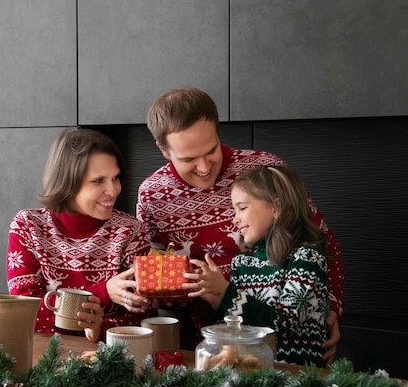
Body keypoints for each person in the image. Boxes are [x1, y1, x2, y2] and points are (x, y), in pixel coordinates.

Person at [136, 86, 343, 364]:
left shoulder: (266, 169)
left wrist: (327, 312)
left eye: (210, 151)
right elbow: (156, 269)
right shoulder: (152, 195)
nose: (203, 167)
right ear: (164, 150)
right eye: (188, 159)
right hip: (211, 337)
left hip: (285, 336)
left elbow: (323, 242)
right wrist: (162, 293)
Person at [6, 128, 153, 343]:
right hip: (42, 356)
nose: (113, 190)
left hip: (108, 357)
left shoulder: (130, 231)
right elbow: (25, 311)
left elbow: (143, 318)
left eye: (115, 178)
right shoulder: (27, 226)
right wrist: (102, 293)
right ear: (67, 181)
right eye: (98, 181)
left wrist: (100, 328)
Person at [185, 165, 329, 367]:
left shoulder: (307, 258)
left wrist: (226, 293)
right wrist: (216, 299)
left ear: (275, 208)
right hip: (250, 369)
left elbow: (285, 323)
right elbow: (233, 326)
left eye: (242, 208)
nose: (235, 219)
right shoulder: (243, 261)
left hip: (294, 372)